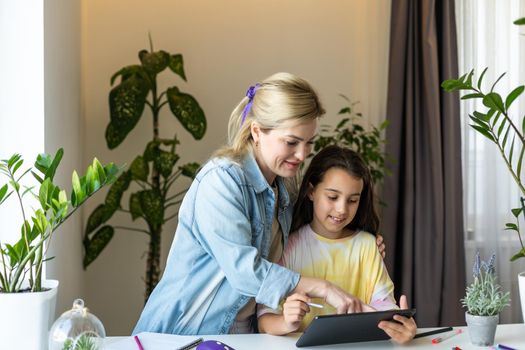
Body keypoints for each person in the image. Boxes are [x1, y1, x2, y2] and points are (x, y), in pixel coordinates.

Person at [133, 72, 385, 335]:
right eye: (291, 142)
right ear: (256, 131)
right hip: (184, 334)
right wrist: (324, 288)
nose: (302, 155)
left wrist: (364, 242)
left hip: (244, 336)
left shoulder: (284, 185)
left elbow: (305, 236)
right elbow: (245, 271)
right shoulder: (221, 180)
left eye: (309, 143)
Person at [257, 145, 417, 344]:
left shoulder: (368, 246)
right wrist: (286, 322)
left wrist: (400, 325)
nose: (342, 209)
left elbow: (384, 308)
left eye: (352, 200)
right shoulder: (287, 246)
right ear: (311, 191)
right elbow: (264, 320)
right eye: (332, 197)